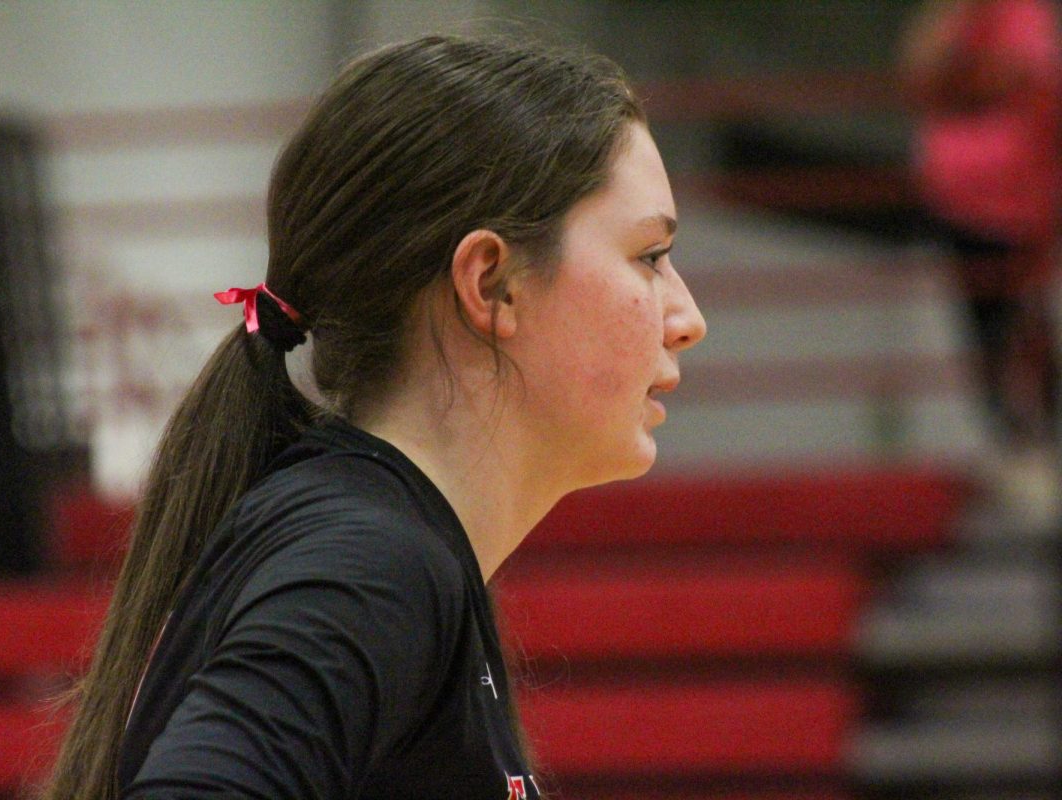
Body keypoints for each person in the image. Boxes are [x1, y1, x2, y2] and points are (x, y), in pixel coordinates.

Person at [41, 34, 705, 800]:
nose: (687, 316)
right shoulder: (373, 563)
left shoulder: (394, 548)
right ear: (491, 285)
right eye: (650, 256)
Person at [899, 0, 1062, 522]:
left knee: (1026, 328)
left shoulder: (1024, 13)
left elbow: (1028, 77)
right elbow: (919, 73)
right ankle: (1020, 447)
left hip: (1028, 204)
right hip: (967, 203)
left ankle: (1036, 445)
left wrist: (966, 82)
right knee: (991, 331)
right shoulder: (956, 15)